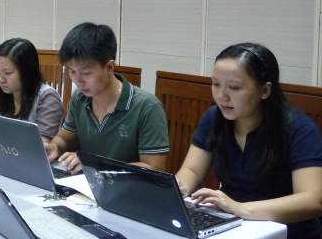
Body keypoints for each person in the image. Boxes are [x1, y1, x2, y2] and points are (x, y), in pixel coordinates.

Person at [175, 43, 322, 239]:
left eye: (234, 87)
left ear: (265, 91)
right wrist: (180, 186)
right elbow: (192, 170)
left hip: (285, 231)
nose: (222, 96)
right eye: (216, 84)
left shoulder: (299, 129)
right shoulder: (214, 118)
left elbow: (312, 200)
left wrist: (241, 208)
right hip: (233, 225)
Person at [46, 22, 169, 173]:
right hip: (84, 182)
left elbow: (155, 168)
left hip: (127, 186)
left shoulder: (146, 106)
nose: (78, 80)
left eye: (86, 73)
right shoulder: (80, 97)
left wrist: (96, 165)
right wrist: (54, 147)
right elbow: (64, 139)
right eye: (72, 71)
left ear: (110, 67)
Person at [0, 38, 63, 142]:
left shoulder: (47, 98)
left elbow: (42, 144)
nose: (1, 79)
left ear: (27, 71)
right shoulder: (1, 94)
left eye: (7, 73)